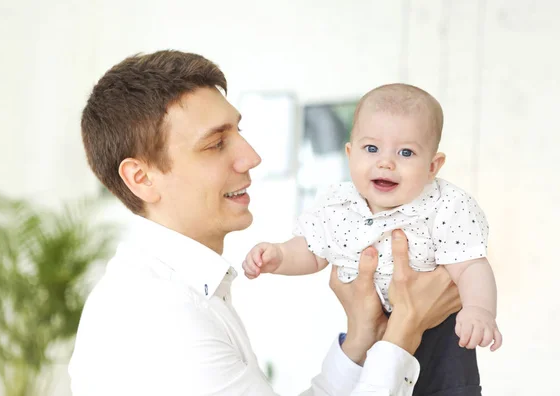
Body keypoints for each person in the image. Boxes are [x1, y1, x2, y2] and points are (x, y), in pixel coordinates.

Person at [68, 51, 460, 395]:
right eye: (216, 144)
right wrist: (405, 329)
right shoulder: (160, 315)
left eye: (238, 131)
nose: (251, 156)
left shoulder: (186, 291)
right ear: (142, 178)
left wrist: (361, 339)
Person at [243, 83, 503, 394]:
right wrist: (280, 256)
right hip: (375, 330)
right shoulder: (337, 205)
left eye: (405, 152)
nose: (386, 162)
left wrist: (479, 309)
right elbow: (312, 250)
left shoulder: (445, 206)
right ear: (350, 153)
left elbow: (472, 266)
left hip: (441, 330)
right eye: (371, 149)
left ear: (432, 166)